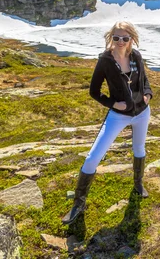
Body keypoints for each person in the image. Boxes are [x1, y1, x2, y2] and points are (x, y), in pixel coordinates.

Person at [62, 21, 153, 225]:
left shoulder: (136, 56)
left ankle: (138, 184)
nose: (120, 42)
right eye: (116, 38)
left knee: (139, 148)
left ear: (131, 39)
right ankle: (78, 203)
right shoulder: (105, 61)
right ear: (111, 38)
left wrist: (147, 96)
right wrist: (114, 104)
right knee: (93, 156)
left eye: (125, 38)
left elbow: (145, 82)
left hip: (142, 113)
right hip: (118, 115)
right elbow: (94, 92)